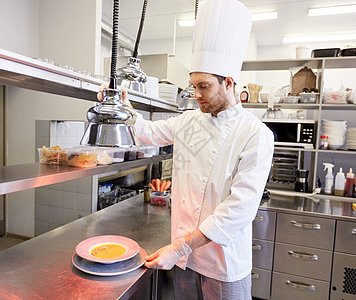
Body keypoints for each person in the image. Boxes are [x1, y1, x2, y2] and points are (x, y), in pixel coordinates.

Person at [98, 0, 274, 298]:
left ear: (228, 82)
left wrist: (178, 247)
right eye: (193, 86)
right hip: (186, 260)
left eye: (203, 86)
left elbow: (238, 210)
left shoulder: (255, 134)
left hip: (223, 266)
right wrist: (123, 106)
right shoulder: (191, 121)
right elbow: (148, 133)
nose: (196, 95)